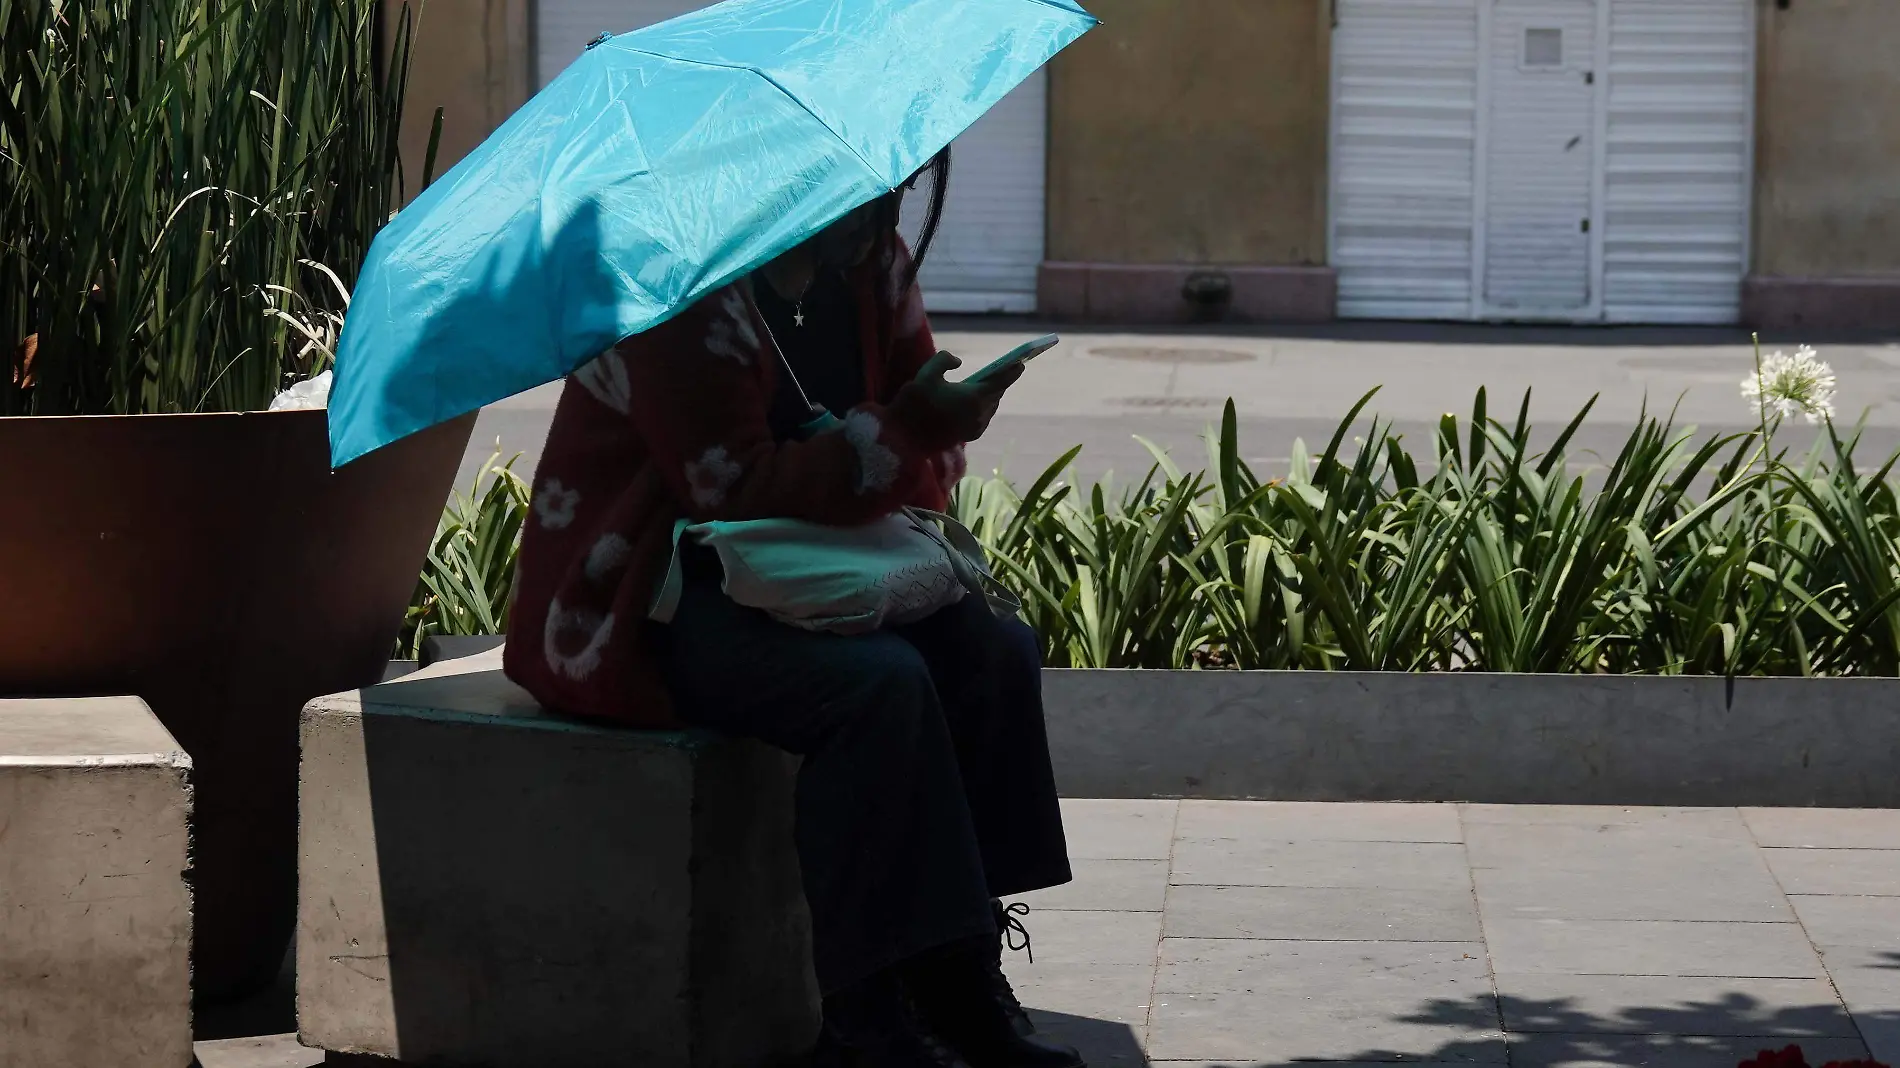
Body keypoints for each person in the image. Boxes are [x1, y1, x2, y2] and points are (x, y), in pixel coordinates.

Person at [504, 149, 1084, 1068]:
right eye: (848, 183)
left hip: (815, 560)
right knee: (876, 690)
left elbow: (906, 443)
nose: (879, 200)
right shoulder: (681, 287)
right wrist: (904, 434)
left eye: (885, 178)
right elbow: (730, 488)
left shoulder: (871, 265)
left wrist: (930, 421)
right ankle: (863, 1016)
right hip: (655, 592)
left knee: (996, 651)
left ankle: (957, 972)